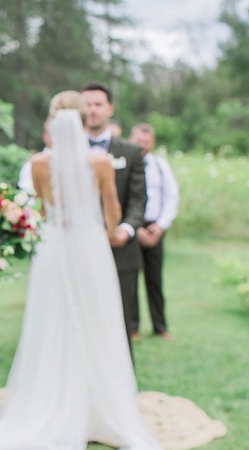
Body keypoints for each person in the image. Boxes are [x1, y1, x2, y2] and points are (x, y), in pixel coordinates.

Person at [0, 91, 187, 450]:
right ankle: (98, 409)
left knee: (51, 322)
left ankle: (51, 403)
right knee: (97, 320)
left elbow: (37, 210)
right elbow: (113, 214)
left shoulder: (37, 163)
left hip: (54, 247)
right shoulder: (101, 162)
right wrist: (104, 226)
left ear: (53, 125)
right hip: (90, 247)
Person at [81, 82, 147, 362]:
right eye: (87, 104)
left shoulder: (131, 152)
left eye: (98, 104)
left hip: (120, 251)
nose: (92, 110)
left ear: (110, 109)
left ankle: (122, 392)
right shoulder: (66, 150)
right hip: (80, 250)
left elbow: (138, 199)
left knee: (120, 321)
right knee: (82, 319)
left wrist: (127, 229)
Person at [129, 123, 180, 341]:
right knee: (130, 280)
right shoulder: (126, 163)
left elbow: (171, 196)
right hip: (132, 229)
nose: (142, 145)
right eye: (139, 141)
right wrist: (135, 227)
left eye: (147, 142)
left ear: (153, 143)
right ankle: (132, 327)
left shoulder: (160, 165)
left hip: (155, 226)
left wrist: (160, 226)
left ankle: (160, 326)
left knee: (155, 279)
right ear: (131, 139)